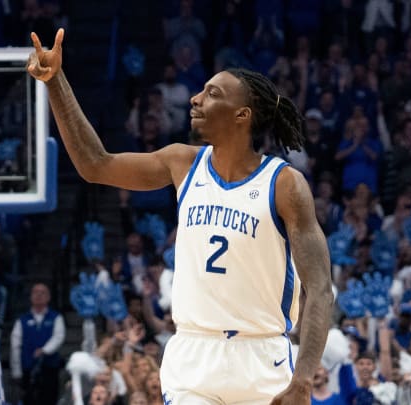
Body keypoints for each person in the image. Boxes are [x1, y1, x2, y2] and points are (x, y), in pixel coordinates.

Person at [27, 29, 333, 404]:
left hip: (262, 358)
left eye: (212, 94)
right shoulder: (183, 163)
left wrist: (302, 379)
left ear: (242, 115)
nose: (196, 98)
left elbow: (319, 289)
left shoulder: (284, 184)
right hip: (193, 356)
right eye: (202, 90)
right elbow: (96, 164)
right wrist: (55, 82)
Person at [10, 283, 65, 405]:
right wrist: (16, 371)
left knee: (49, 399)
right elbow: (15, 346)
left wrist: (44, 350)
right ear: (30, 297)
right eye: (36, 292)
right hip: (28, 369)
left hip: (49, 368)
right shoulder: (22, 320)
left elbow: (58, 337)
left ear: (49, 297)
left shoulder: (56, 317)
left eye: (43, 292)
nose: (39, 295)